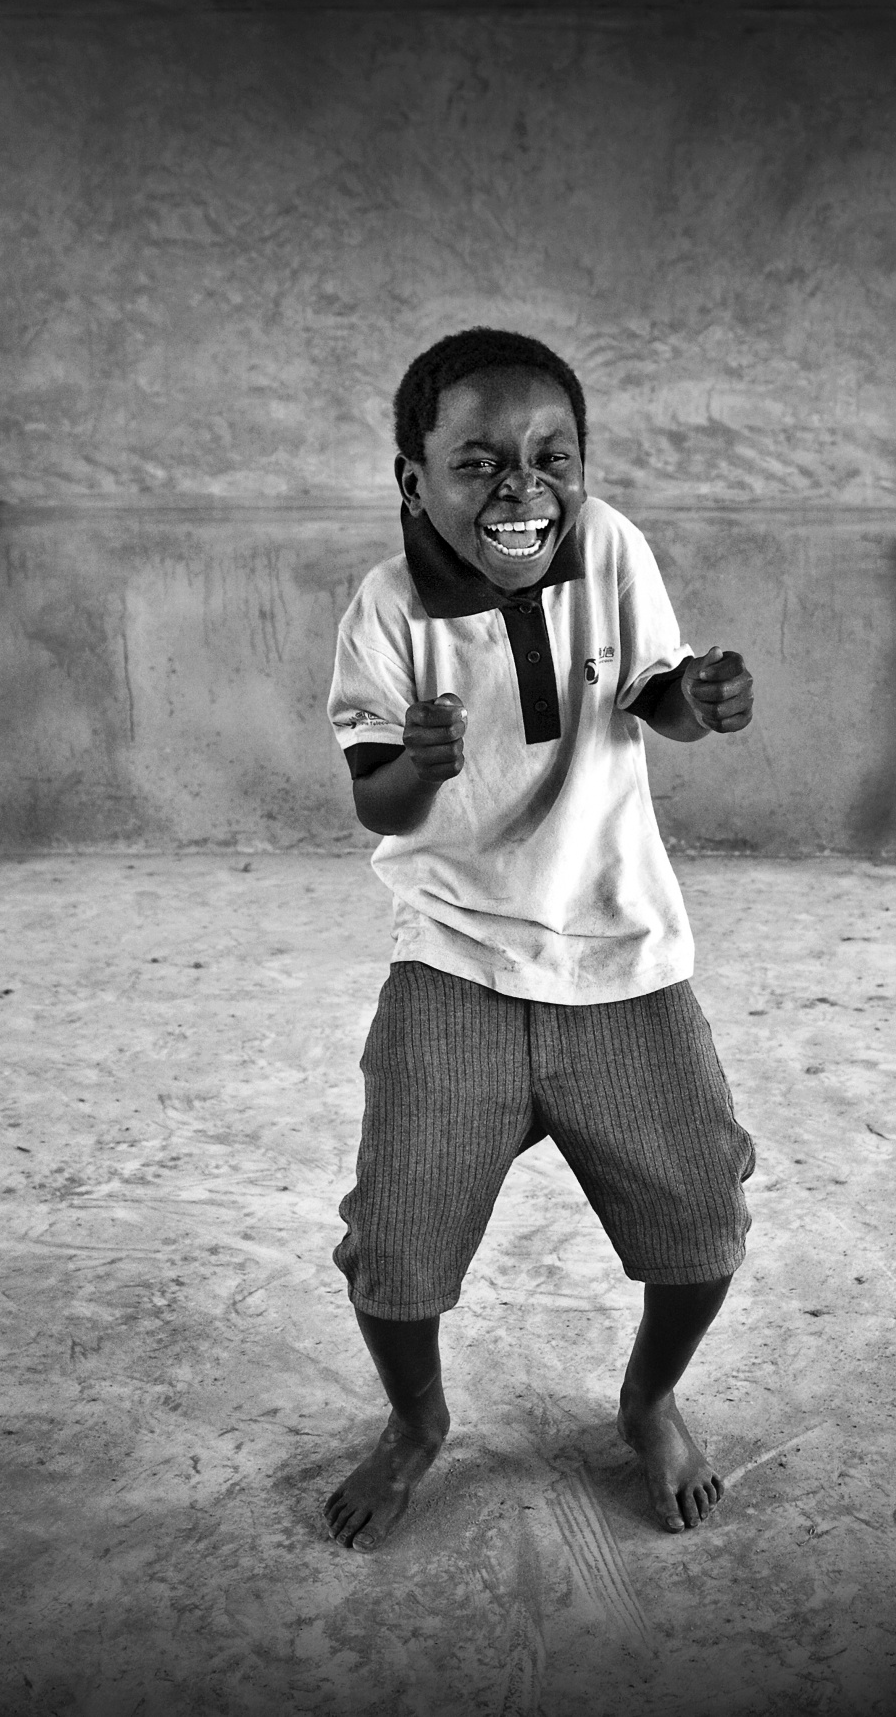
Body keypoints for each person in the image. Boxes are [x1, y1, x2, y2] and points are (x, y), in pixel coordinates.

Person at [322, 328, 757, 1550]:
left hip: (617, 945)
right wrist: (416, 766)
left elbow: (654, 688)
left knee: (703, 1220)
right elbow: (376, 800)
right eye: (478, 463)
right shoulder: (386, 608)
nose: (522, 489)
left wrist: (697, 700)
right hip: (455, 951)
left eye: (550, 457)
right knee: (395, 1246)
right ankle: (416, 1422)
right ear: (414, 480)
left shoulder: (608, 544)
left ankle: (648, 1398)